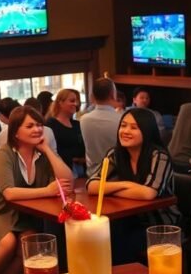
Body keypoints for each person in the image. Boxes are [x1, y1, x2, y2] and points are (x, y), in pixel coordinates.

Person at [0, 106, 73, 274]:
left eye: (39, 125)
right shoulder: (4, 153)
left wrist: (48, 150)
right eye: (29, 126)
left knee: (30, 248)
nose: (37, 129)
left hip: (23, 215)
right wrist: (47, 191)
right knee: (9, 243)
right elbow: (9, 193)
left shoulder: (42, 156)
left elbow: (67, 181)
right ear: (16, 132)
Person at [88, 108, 181, 264]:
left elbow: (148, 193)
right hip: (129, 218)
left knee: (120, 243)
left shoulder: (159, 156)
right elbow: (92, 186)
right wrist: (126, 185)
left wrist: (110, 189)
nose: (125, 131)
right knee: (100, 236)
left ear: (147, 130)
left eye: (133, 127)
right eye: (123, 125)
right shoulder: (115, 154)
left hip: (159, 222)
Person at [81, 77, 124, 174]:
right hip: (117, 174)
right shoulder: (122, 119)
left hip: (93, 174)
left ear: (93, 96)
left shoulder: (84, 119)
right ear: (112, 94)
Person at [45, 88, 86, 171]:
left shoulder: (77, 124)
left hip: (81, 170)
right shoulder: (51, 125)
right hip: (61, 169)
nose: (75, 104)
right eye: (72, 101)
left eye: (76, 101)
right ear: (61, 103)